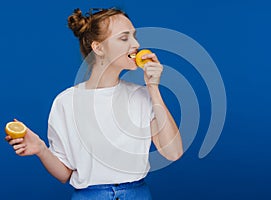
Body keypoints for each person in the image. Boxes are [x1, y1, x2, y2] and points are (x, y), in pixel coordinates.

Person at [5, 7, 183, 200]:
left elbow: (173, 153)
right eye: (124, 38)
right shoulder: (66, 102)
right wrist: (40, 148)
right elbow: (65, 174)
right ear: (98, 48)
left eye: (134, 36)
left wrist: (153, 88)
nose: (136, 43)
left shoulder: (141, 95)